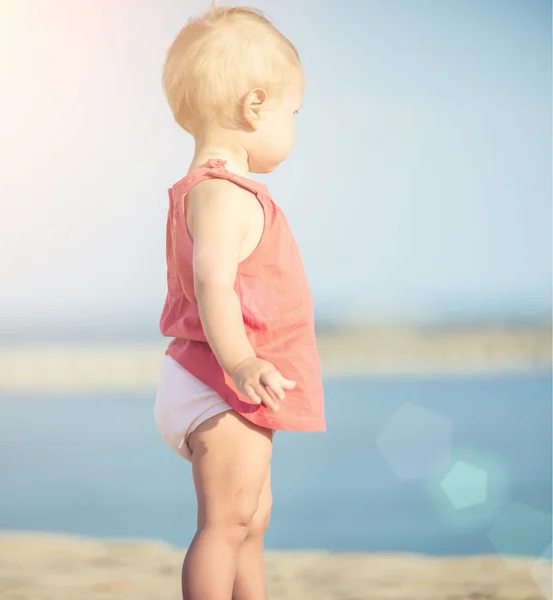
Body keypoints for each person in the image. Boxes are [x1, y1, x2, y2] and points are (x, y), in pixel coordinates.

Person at [154, 3, 326, 599]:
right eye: (294, 112)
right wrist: (241, 363)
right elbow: (214, 287)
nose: (295, 127)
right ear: (256, 106)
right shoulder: (224, 195)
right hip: (221, 385)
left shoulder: (207, 190)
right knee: (224, 526)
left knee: (250, 521)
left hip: (216, 384)